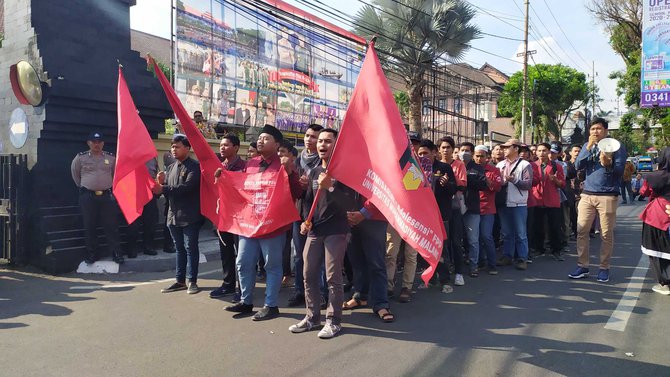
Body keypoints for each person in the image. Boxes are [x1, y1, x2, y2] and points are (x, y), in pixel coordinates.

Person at [224, 125, 302, 321]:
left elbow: (297, 193)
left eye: (266, 139)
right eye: (259, 138)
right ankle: (246, 301)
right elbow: (239, 188)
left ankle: (271, 305)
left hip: (272, 226)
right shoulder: (250, 164)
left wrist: (290, 172)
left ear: (277, 144)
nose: (260, 141)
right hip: (249, 225)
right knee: (242, 262)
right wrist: (222, 178)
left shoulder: (284, 164)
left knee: (272, 266)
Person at [289, 128, 354, 338]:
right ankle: (312, 317)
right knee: (308, 274)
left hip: (337, 230)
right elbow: (309, 201)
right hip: (315, 230)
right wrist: (305, 221)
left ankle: (333, 320)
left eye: (327, 141)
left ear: (336, 145)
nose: (322, 145)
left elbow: (352, 204)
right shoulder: (315, 171)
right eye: (321, 141)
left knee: (332, 277)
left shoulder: (346, 172)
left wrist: (332, 187)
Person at [568, 118, 627, 283]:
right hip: (587, 195)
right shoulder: (588, 146)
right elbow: (578, 165)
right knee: (581, 231)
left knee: (606, 234)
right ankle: (583, 265)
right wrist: (587, 148)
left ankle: (604, 268)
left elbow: (619, 172)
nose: (595, 131)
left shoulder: (617, 147)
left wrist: (608, 163)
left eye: (599, 128)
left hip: (607, 195)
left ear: (606, 131)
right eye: (592, 129)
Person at [156, 134, 204, 295]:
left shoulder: (195, 167)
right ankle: (179, 280)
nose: (173, 149)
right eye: (172, 146)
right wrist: (161, 184)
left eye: (177, 146)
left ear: (187, 148)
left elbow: (186, 188)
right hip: (173, 215)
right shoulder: (170, 167)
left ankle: (192, 281)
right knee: (179, 249)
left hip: (190, 216)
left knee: (191, 248)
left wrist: (163, 188)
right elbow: (167, 192)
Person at [70, 131, 123, 264]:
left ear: (103, 143)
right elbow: (75, 174)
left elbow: (114, 174)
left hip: (107, 196)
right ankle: (92, 254)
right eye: (94, 142)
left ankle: (116, 253)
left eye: (99, 142)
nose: (97, 144)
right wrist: (86, 186)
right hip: (88, 196)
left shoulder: (111, 158)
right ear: (89, 143)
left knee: (111, 225)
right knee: (89, 225)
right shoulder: (80, 158)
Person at [289, 124, 325, 308]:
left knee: (319, 257)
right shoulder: (297, 162)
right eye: (307, 135)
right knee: (299, 256)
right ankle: (299, 291)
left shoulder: (324, 162)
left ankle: (321, 293)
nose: (309, 139)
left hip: (319, 214)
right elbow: (291, 190)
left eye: (314, 137)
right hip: (300, 213)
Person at [210, 134, 246, 299]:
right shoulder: (219, 166)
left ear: (236, 147)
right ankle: (228, 284)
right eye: (221, 145)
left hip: (240, 217)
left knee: (242, 254)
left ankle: (243, 288)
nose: (222, 148)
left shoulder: (244, 167)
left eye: (226, 145)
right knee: (226, 252)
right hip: (224, 216)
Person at [496, 138, 533, 270]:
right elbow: (497, 183)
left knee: (520, 233)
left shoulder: (525, 165)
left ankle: (522, 258)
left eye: (507, 147)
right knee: (506, 232)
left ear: (516, 148)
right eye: (503, 147)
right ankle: (507, 255)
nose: (504, 150)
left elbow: (528, 184)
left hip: (519, 203)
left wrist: (514, 180)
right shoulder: (500, 165)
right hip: (503, 203)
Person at [639, 147, 670, 295]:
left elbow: (644, 192)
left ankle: (665, 283)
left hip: (658, 214)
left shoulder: (654, 176)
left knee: (656, 250)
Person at [438, 136, 467, 286]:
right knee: (442, 243)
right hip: (440, 208)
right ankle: (443, 272)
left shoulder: (459, 165)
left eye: (448, 147)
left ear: (453, 149)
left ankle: (459, 273)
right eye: (443, 147)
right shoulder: (435, 165)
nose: (445, 150)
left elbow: (462, 184)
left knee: (456, 241)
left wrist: (450, 181)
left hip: (454, 207)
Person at [531, 143, 566, 261]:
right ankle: (539, 248)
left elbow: (562, 184)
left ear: (549, 152)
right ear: (536, 152)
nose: (542, 153)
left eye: (544, 150)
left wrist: (555, 179)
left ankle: (556, 250)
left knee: (555, 227)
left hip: (552, 200)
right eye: (539, 151)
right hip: (537, 200)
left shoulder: (557, 167)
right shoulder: (532, 166)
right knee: (537, 226)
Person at [458, 142, 488, 277]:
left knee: (473, 240)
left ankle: (473, 265)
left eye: (468, 151)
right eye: (462, 150)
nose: (464, 153)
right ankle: (457, 265)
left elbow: (483, 185)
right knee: (456, 239)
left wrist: (466, 178)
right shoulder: (453, 166)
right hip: (456, 208)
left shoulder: (477, 168)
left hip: (472, 209)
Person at [475, 145, 502, 275]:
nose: (479, 159)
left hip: (487, 209)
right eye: (477, 156)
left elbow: (498, 187)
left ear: (487, 157)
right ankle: (480, 262)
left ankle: (492, 264)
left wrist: (487, 181)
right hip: (473, 208)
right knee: (476, 238)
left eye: (482, 156)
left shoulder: (494, 170)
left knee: (486, 236)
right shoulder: (470, 169)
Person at [125, 158, 159, 258]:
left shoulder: (153, 158)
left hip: (149, 193)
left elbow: (156, 174)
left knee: (150, 223)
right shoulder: (131, 156)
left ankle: (148, 247)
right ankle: (131, 249)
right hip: (134, 193)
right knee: (133, 224)